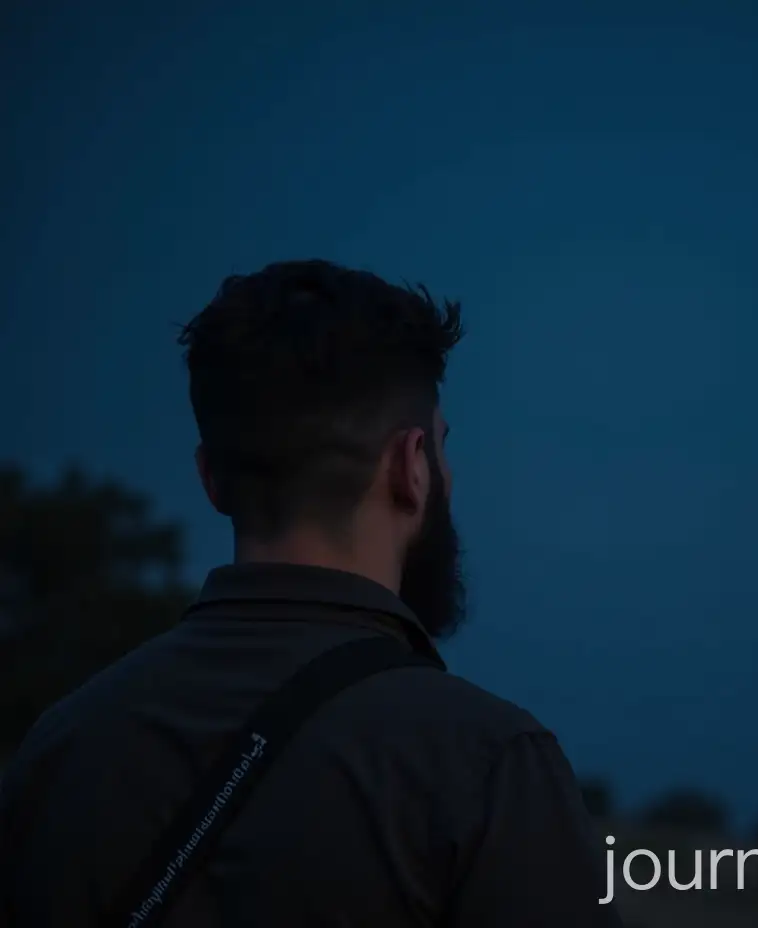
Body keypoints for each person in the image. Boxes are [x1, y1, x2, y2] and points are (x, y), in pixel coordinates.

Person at [0, 260, 624, 927]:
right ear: (411, 467)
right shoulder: (487, 764)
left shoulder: (57, 751)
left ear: (211, 478)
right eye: (442, 448)